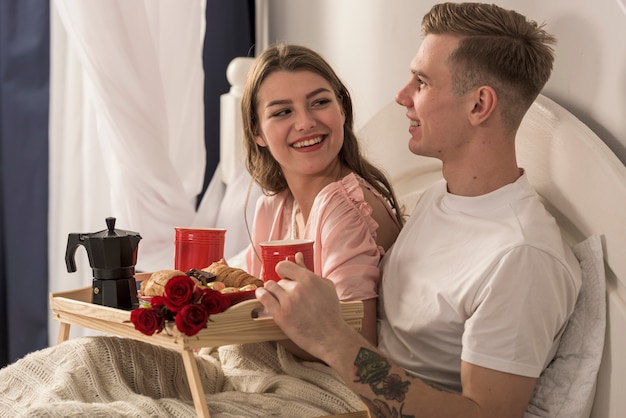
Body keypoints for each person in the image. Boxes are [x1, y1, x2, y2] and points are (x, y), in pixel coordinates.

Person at [255, 3, 582, 417]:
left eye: (422, 82)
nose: (402, 96)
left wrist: (333, 338)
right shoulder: (436, 198)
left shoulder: (521, 255)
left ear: (479, 105)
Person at [241, 44, 404, 356]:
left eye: (319, 102)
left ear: (341, 109)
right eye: (282, 112)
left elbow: (360, 348)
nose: (305, 123)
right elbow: (250, 300)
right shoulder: (274, 208)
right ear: (257, 132)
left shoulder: (343, 208)